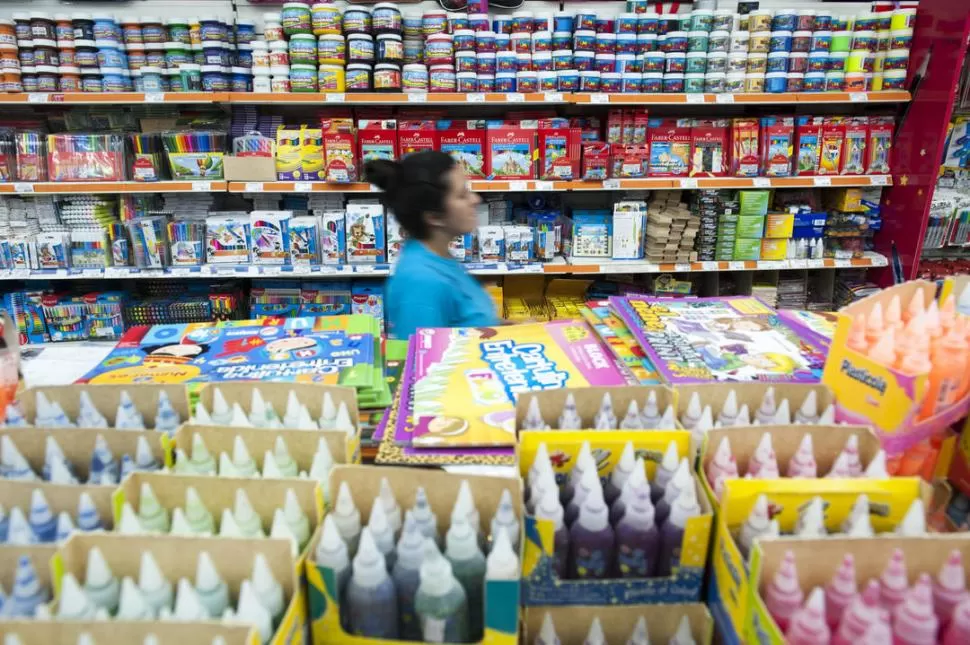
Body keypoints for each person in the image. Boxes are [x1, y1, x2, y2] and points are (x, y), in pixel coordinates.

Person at [366, 151, 500, 339]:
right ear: (434, 217)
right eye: (462, 195)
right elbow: (422, 361)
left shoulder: (439, 256)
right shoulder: (421, 283)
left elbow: (465, 325)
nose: (475, 199)